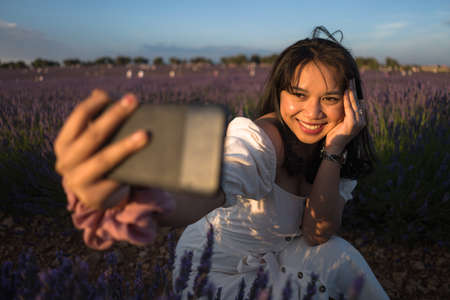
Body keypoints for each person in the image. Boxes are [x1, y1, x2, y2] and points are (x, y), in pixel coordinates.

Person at [54, 26, 390, 299]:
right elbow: (219, 182)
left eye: (329, 99)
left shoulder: (334, 144)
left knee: (341, 256)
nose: (313, 113)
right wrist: (139, 199)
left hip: (276, 259)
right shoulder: (263, 139)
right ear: (280, 94)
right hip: (215, 274)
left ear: (350, 103)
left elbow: (318, 234)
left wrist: (334, 148)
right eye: (298, 95)